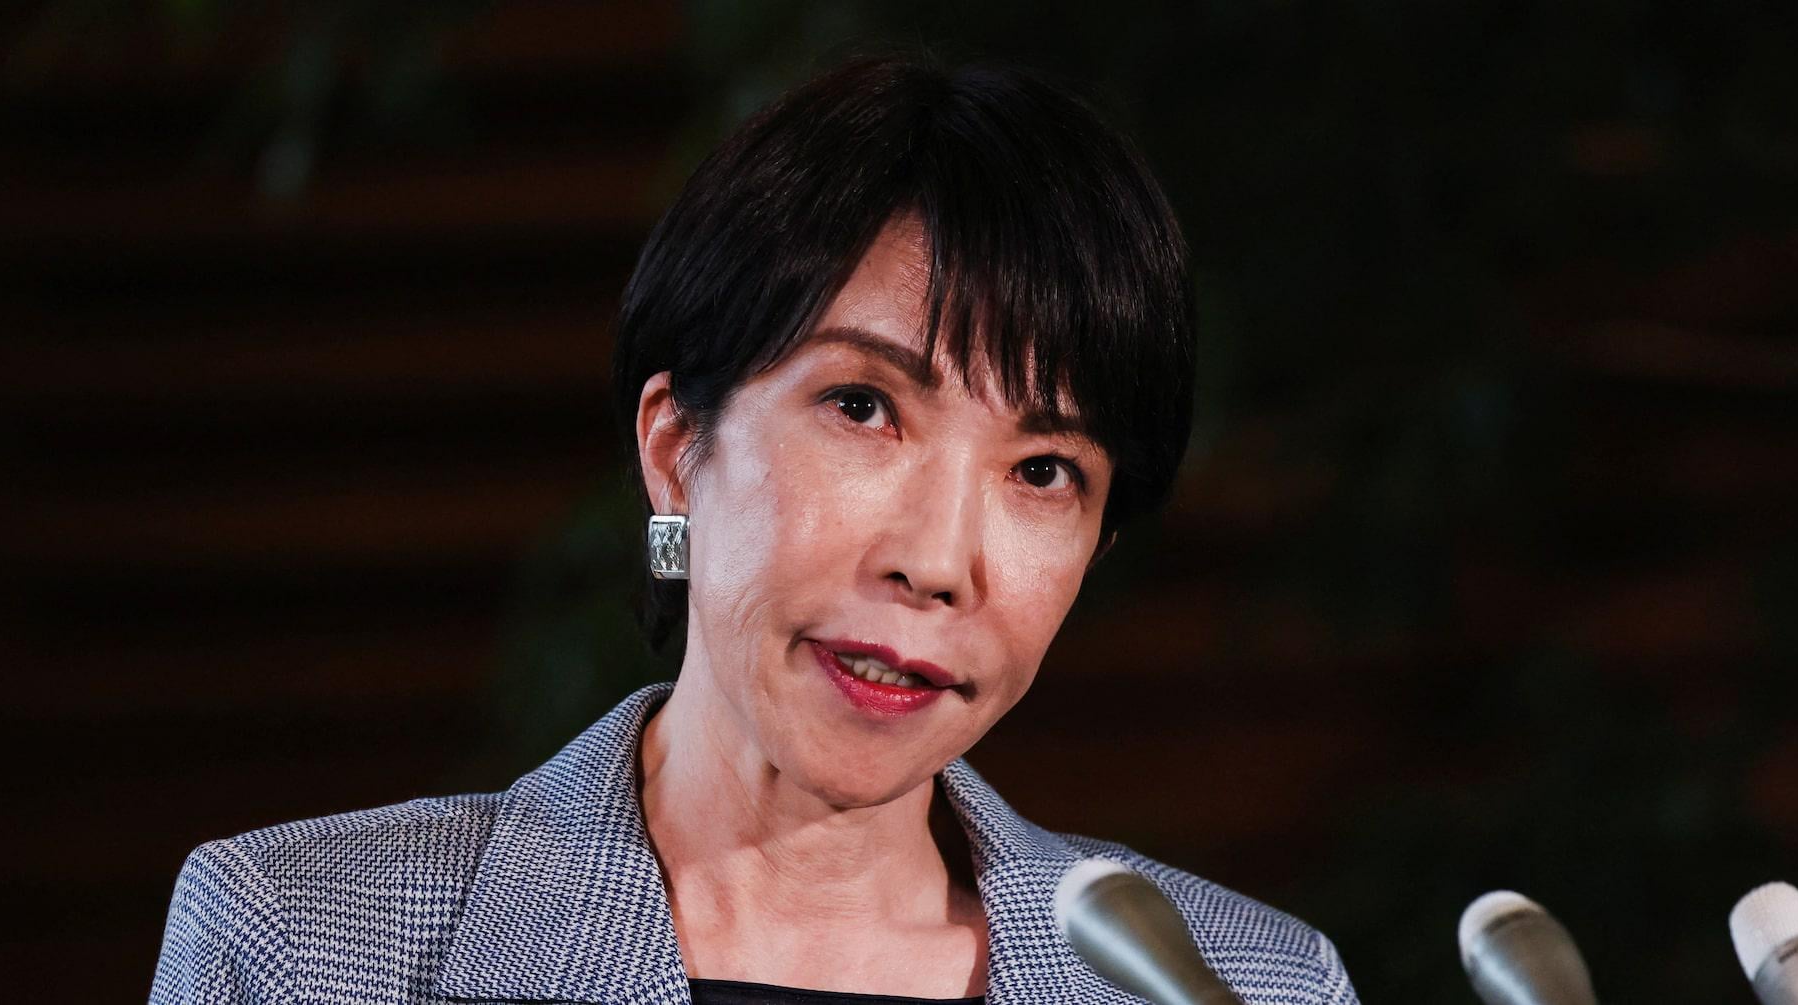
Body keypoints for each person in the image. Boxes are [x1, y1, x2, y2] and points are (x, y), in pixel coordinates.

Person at [151, 55, 1361, 1005]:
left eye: (1044, 471)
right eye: (863, 407)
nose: (937, 561)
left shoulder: (1247, 989)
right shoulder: (303, 942)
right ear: (678, 446)